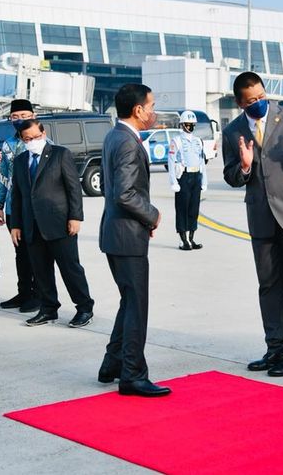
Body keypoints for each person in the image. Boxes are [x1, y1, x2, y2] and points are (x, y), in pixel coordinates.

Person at [223, 71, 283, 377]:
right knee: (269, 285)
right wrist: (244, 166)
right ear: (241, 103)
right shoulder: (233, 131)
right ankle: (275, 347)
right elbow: (231, 177)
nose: (258, 104)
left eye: (262, 97)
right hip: (261, 216)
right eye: (251, 101)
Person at [98, 83, 170, 397]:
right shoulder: (126, 142)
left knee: (129, 302)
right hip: (127, 237)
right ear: (138, 110)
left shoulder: (115, 135)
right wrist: (151, 215)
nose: (153, 111)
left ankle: (112, 364)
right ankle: (133, 375)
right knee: (137, 306)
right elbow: (125, 193)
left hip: (118, 232)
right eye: (151, 105)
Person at [10, 120, 94, 329]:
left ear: (43, 133)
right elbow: (18, 196)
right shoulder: (20, 161)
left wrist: (76, 217)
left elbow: (73, 188)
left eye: (36, 137)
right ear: (22, 139)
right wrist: (16, 225)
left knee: (70, 268)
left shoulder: (60, 154)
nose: (32, 142)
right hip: (32, 225)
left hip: (60, 222)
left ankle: (84, 308)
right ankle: (48, 309)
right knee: (41, 271)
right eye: (27, 139)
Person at [0, 100, 39, 313]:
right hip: (14, 209)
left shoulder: (39, 141)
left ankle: (39, 295)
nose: (19, 119)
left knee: (36, 253)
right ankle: (24, 293)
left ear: (33, 115)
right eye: (15, 116)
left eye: (24, 115)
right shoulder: (7, 145)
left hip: (36, 209)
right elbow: (3, 177)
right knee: (20, 254)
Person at [168, 110, 207, 250]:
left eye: (192, 124)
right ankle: (183, 240)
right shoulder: (176, 141)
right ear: (182, 125)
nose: (189, 126)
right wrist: (173, 182)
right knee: (182, 209)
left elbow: (202, 161)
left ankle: (191, 238)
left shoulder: (198, 141)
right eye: (187, 124)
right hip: (183, 177)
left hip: (196, 176)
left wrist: (204, 180)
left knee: (194, 209)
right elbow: (171, 162)